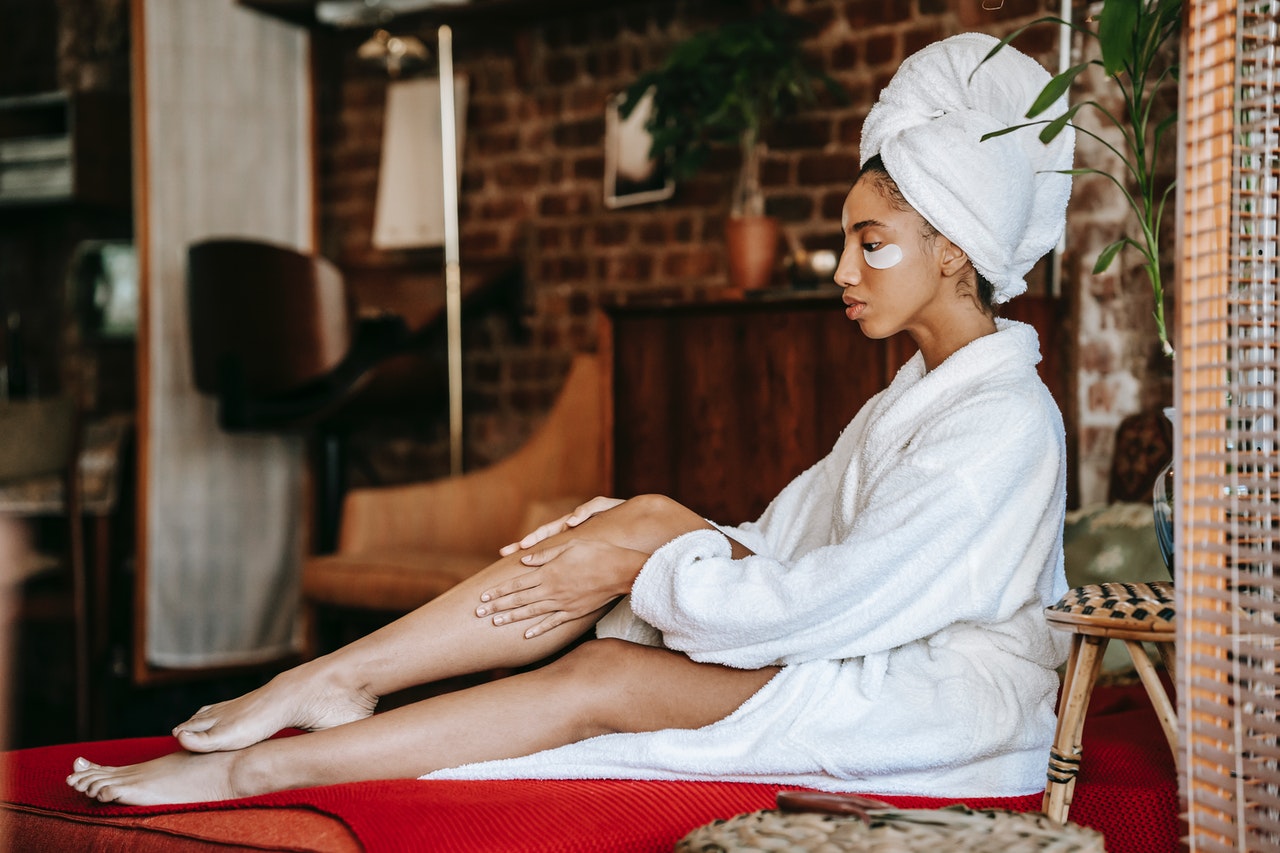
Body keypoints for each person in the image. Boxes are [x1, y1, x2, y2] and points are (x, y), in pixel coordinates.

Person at [68, 32, 1075, 807]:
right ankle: (330, 681)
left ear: (951, 251)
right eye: (842, 241)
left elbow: (822, 602)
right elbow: (784, 548)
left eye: (871, 243)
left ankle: (264, 769)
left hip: (934, 700)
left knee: (605, 658)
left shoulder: (1000, 423)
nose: (844, 271)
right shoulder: (911, 398)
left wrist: (649, 554)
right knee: (631, 526)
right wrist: (641, 539)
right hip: (851, 643)